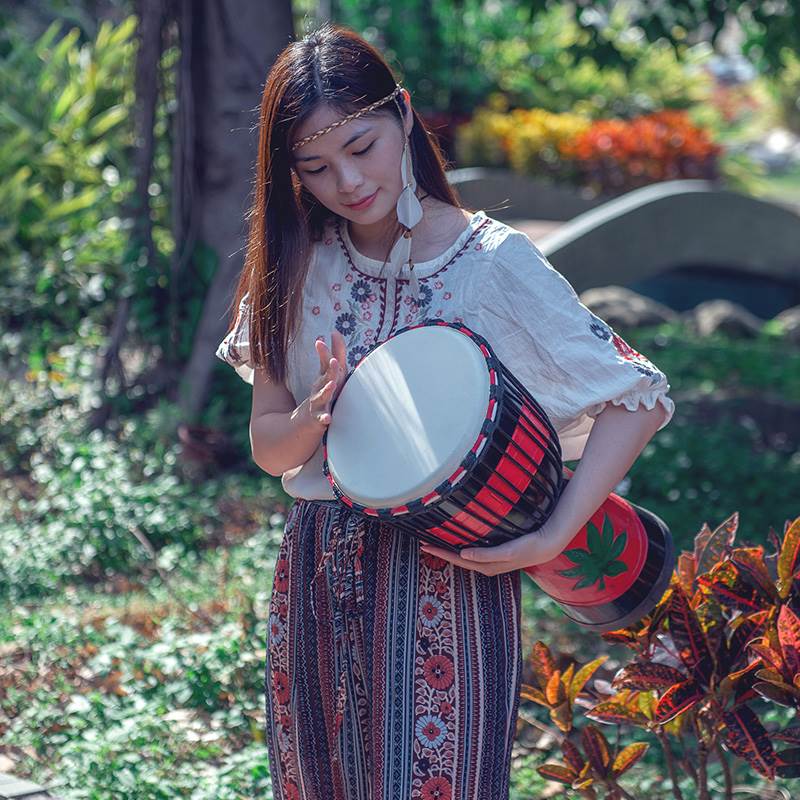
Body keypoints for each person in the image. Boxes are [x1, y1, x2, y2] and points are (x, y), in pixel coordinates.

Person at [216, 21, 675, 800]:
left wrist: (553, 535)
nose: (347, 182)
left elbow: (637, 397)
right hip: (318, 565)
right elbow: (271, 447)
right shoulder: (296, 264)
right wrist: (313, 418)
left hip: (450, 571)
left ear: (402, 115)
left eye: (361, 147)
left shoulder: (491, 264)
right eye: (316, 167)